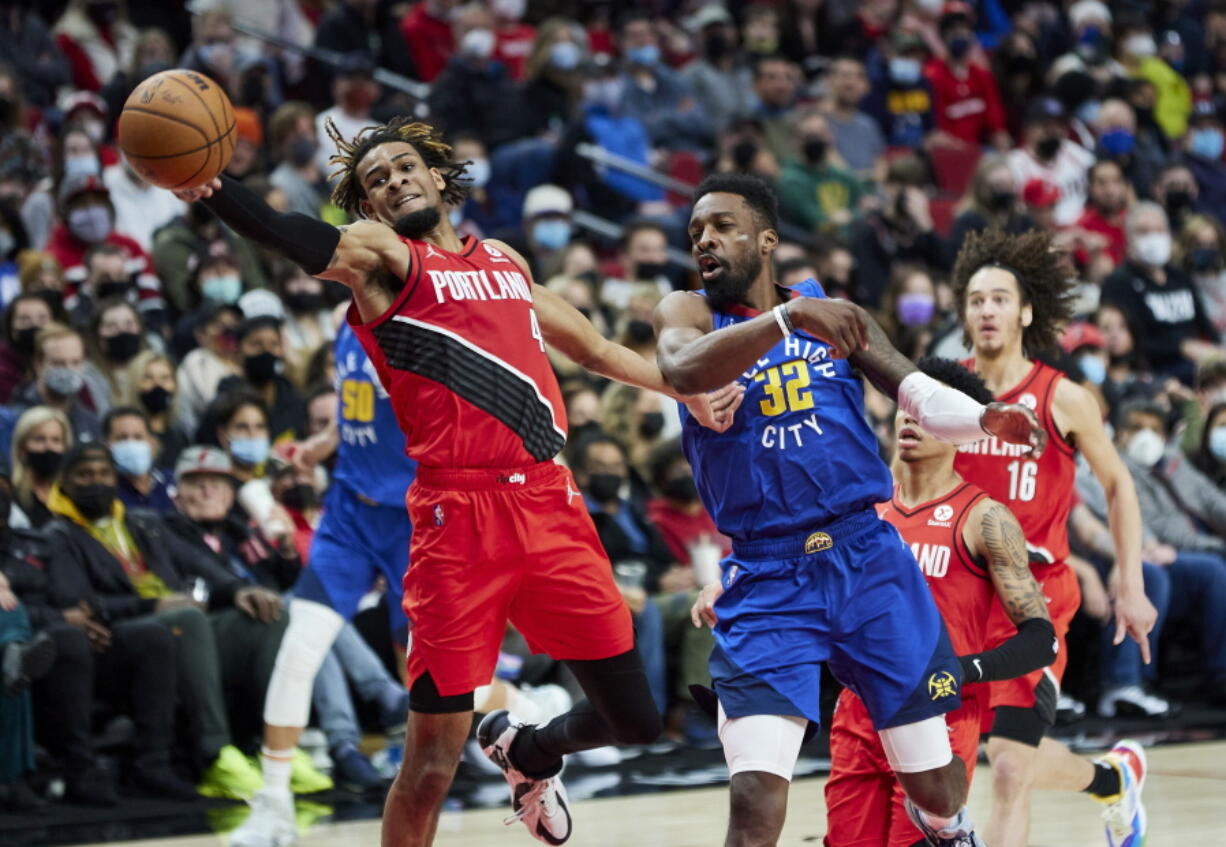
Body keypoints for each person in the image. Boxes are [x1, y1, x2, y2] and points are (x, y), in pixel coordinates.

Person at [172, 116, 741, 847]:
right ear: (369, 207)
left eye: (405, 166)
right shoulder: (382, 258)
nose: (394, 181)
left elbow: (596, 348)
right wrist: (219, 191)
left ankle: (524, 749)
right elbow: (292, 234)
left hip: (549, 503)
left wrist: (684, 391)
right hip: (456, 520)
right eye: (375, 180)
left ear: (438, 176)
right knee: (431, 760)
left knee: (631, 717)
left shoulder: (502, 259)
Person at [656, 172, 1046, 847]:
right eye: (696, 232)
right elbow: (681, 369)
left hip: (867, 562)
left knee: (936, 786)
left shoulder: (831, 312)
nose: (705, 240)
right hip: (769, 577)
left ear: (768, 239)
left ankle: (951, 828)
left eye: (721, 225)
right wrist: (786, 320)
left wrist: (986, 418)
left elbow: (917, 392)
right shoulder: (689, 312)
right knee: (754, 802)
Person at [949, 227, 1157, 847]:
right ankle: (1112, 779)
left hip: (1033, 601)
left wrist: (1131, 583)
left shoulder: (1060, 397)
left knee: (1010, 766)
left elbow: (1120, 486)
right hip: (956, 598)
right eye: (977, 299)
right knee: (953, 764)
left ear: (1026, 310)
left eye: (1000, 299)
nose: (987, 309)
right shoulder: (942, 395)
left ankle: (1111, 780)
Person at [823, 356, 1068, 847]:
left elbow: (1042, 641)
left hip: (941, 714)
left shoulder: (985, 519)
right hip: (859, 712)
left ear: (959, 428)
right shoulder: (862, 511)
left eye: (928, 410)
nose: (910, 417)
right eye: (905, 406)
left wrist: (964, 670)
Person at [42, 442, 297, 801]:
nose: (96, 483)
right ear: (64, 483)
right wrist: (154, 605)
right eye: (84, 476)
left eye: (102, 474)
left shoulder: (144, 522)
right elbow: (79, 605)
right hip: (124, 638)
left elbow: (200, 564)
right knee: (187, 618)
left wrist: (239, 590)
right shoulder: (60, 535)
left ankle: (278, 746)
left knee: (270, 616)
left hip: (182, 624)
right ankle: (215, 754)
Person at [1101, 202, 1219, 384]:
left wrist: (1217, 349)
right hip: (1154, 370)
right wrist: (1181, 347)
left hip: (1196, 363)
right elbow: (1131, 342)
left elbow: (1205, 325)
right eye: (1144, 231)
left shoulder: (1179, 276)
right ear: (1128, 239)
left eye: (1159, 230)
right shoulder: (1118, 282)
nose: (1153, 237)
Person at [103, 406, 173, 514]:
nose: (131, 444)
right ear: (106, 445)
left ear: (152, 443)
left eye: (138, 437)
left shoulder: (172, 481)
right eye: (122, 438)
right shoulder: (105, 491)